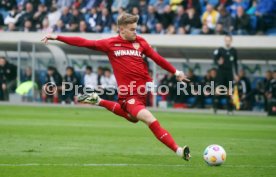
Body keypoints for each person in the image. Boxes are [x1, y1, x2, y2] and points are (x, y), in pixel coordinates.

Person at [41, 13, 191, 161]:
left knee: (133, 118)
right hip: (128, 95)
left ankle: (98, 101)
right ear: (122, 29)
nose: (135, 32)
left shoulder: (141, 42)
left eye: (136, 28)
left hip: (141, 93)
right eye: (132, 29)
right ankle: (178, 150)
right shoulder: (110, 44)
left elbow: (157, 58)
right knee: (149, 118)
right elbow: (84, 42)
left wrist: (176, 72)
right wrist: (58, 37)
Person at [213, 35, 238, 114]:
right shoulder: (220, 50)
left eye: (229, 40)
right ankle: (215, 108)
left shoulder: (234, 51)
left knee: (229, 91)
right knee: (218, 89)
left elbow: (235, 63)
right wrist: (217, 61)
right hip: (221, 71)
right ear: (224, 40)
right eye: (226, 40)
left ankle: (229, 109)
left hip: (229, 72)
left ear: (231, 41)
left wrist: (236, 74)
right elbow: (214, 58)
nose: (227, 41)